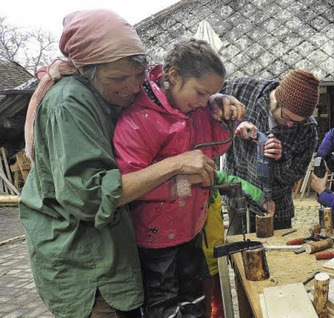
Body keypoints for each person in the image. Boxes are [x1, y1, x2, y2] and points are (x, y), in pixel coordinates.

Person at [18, 10, 238, 318]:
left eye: (136, 76)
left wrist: (214, 103)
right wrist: (175, 164)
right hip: (86, 264)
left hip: (120, 255)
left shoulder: (111, 96)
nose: (133, 87)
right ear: (86, 69)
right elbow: (91, 196)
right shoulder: (69, 103)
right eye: (119, 78)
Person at [112, 38, 246, 317]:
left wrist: (223, 117)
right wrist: (184, 178)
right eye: (200, 93)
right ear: (173, 76)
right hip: (156, 238)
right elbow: (127, 186)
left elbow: (217, 147)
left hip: (190, 229)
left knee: (194, 301)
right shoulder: (140, 120)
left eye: (209, 95)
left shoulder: (197, 110)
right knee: (163, 306)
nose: (202, 102)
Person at [221, 69, 319, 234]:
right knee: (238, 251)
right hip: (239, 199)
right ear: (277, 99)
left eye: (296, 122)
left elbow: (295, 175)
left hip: (277, 208)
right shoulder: (241, 90)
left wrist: (280, 160)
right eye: (287, 117)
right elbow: (205, 111)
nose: (290, 125)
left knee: (278, 256)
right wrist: (233, 126)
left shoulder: (307, 129)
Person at [202, 170, 273, 317]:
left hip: (217, 260)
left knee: (219, 305)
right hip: (199, 264)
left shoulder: (211, 175)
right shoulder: (187, 183)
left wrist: (260, 198)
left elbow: (233, 181)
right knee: (203, 309)